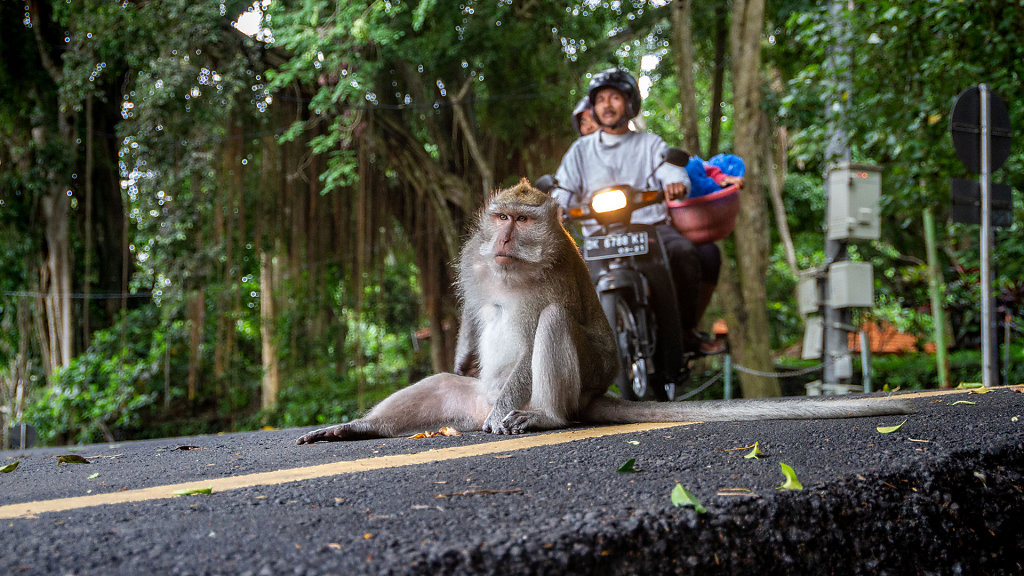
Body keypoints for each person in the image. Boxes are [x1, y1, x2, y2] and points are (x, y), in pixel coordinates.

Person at [553, 68, 724, 355]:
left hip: (651, 228)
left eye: (615, 98)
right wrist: (557, 204)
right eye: (600, 99)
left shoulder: (650, 143)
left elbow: (671, 171)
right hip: (599, 236)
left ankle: (684, 332)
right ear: (593, 107)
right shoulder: (579, 151)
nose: (607, 105)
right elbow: (562, 187)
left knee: (684, 252)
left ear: (630, 102)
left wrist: (674, 183)